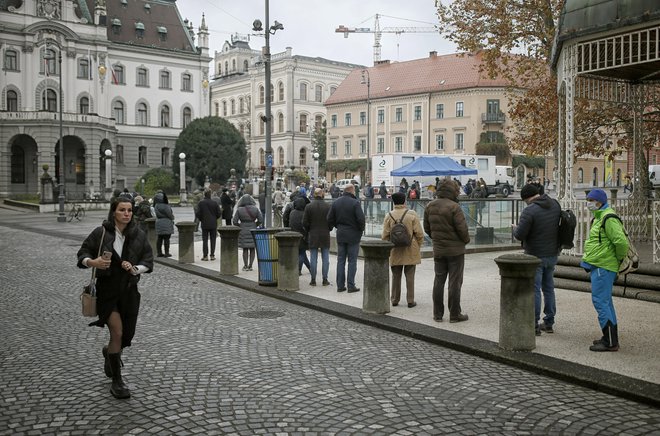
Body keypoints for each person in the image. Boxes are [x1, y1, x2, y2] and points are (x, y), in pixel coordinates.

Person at [77, 196, 153, 399]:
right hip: (107, 292)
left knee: (126, 335)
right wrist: (93, 262)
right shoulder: (101, 233)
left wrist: (135, 268)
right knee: (117, 332)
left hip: (129, 292)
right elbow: (82, 253)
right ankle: (117, 381)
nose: (126, 214)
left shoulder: (139, 234)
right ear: (114, 212)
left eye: (129, 210)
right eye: (122, 210)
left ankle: (109, 352)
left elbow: (148, 260)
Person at [580, 189, 628, 352]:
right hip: (601, 265)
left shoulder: (608, 217)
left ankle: (610, 342)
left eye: (591, 200)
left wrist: (618, 260)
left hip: (604, 266)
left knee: (600, 302)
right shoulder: (602, 216)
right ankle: (610, 337)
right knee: (606, 302)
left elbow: (621, 243)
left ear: (600, 201)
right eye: (588, 199)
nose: (589, 203)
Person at [513, 184, 561, 336]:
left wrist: (515, 228)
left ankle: (533, 324)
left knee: (534, 290)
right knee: (548, 288)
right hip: (552, 253)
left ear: (526, 198)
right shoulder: (555, 204)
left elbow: (520, 235)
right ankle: (549, 322)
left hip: (535, 256)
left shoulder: (529, 211)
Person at [424, 179, 470, 323]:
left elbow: (427, 228)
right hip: (455, 251)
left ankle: (437, 314)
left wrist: (437, 239)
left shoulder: (429, 206)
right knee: (454, 283)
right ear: (453, 191)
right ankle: (455, 314)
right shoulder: (454, 207)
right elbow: (462, 230)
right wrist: (466, 240)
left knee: (439, 281)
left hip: (439, 249)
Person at [381, 192, 424, 308]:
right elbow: (419, 234)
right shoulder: (412, 214)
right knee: (410, 275)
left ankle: (395, 299)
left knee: (396, 275)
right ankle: (410, 300)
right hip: (410, 248)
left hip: (395, 249)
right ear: (405, 201)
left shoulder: (389, 215)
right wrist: (417, 246)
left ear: (393, 202)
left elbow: (385, 236)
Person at [327, 183, 365, 293]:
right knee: (352, 261)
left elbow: (329, 218)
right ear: (352, 190)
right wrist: (360, 231)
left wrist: (337, 226)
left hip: (341, 234)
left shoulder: (336, 202)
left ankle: (340, 285)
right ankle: (351, 285)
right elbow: (361, 219)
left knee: (341, 260)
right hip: (353, 235)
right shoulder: (355, 203)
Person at [303, 188, 332, 286]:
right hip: (325, 234)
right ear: (322, 194)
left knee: (313, 258)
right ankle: (325, 279)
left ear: (314, 195)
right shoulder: (328, 206)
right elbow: (331, 221)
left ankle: (313, 279)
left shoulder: (309, 206)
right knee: (325, 258)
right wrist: (329, 228)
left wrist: (309, 230)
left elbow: (304, 222)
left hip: (313, 234)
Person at [233, 194, 263, 271]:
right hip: (253, 230)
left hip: (243, 230)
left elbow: (234, 221)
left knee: (245, 249)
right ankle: (251, 265)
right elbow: (260, 220)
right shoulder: (255, 209)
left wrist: (240, 225)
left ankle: (245, 265)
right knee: (252, 248)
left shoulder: (239, 209)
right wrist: (255, 224)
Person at [196, 189, 222, 261]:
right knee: (213, 240)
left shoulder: (201, 203)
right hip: (213, 223)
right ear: (210, 195)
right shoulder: (214, 203)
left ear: (204, 194)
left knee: (205, 240)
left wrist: (202, 219)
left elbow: (197, 213)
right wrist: (214, 218)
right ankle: (212, 255)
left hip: (204, 223)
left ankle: (205, 255)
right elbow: (219, 213)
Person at [288, 197, 311, 276]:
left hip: (293, 235)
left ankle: (310, 267)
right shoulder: (304, 213)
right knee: (301, 253)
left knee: (302, 253)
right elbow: (306, 225)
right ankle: (299, 269)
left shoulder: (292, 212)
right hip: (302, 236)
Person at [153, 191, 174, 257]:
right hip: (166, 222)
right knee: (167, 239)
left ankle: (159, 252)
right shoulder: (165, 206)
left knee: (159, 238)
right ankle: (166, 252)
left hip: (159, 222)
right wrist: (172, 217)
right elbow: (169, 214)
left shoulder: (156, 205)